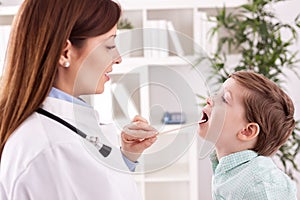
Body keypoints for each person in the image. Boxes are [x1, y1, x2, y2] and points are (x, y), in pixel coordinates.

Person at [0, 0, 157, 199]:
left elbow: (94, 185)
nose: (118, 58)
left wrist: (126, 157)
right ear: (65, 53)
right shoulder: (52, 151)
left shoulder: (60, 127)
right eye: (109, 45)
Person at [198, 71, 297, 199]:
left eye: (224, 99)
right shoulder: (230, 172)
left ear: (247, 131)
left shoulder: (261, 184)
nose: (210, 99)